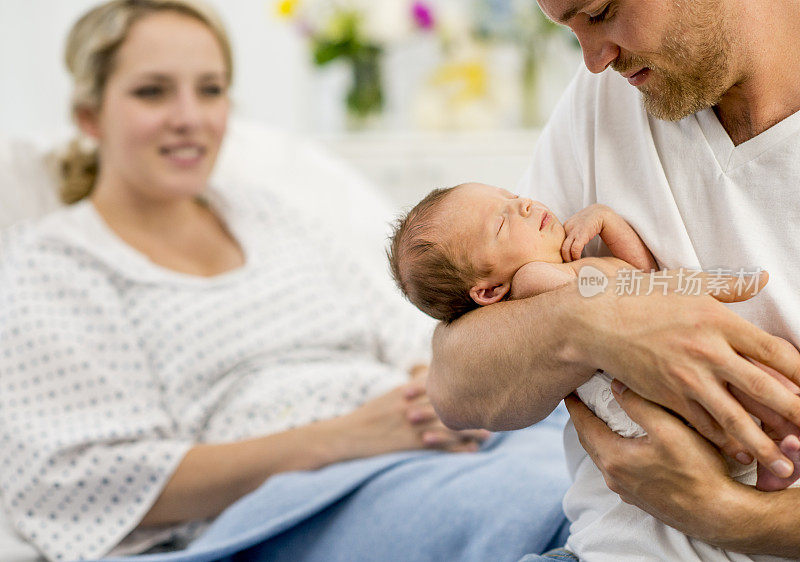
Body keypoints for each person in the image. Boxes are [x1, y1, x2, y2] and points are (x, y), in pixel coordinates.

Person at [0, 1, 573, 561]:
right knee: (535, 507)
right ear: (89, 116)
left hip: (439, 439)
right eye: (152, 91)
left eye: (210, 89)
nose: (189, 117)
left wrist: (435, 397)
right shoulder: (55, 264)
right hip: (304, 497)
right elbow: (86, 479)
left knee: (605, 466)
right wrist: (344, 438)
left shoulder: (270, 214)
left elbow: (404, 332)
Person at [428, 0, 800, 560]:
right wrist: (597, 321)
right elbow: (456, 382)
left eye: (601, 12)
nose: (594, 60)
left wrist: (734, 516)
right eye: (568, 28)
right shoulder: (607, 95)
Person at [389, 181, 800, 493]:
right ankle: (764, 466)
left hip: (662, 373)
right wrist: (692, 284)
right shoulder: (533, 280)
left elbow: (634, 268)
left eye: (510, 196)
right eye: (502, 221)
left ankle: (768, 470)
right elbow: (611, 299)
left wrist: (606, 220)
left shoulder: (569, 265)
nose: (524, 205)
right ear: (490, 291)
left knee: (761, 383)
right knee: (753, 381)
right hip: (641, 396)